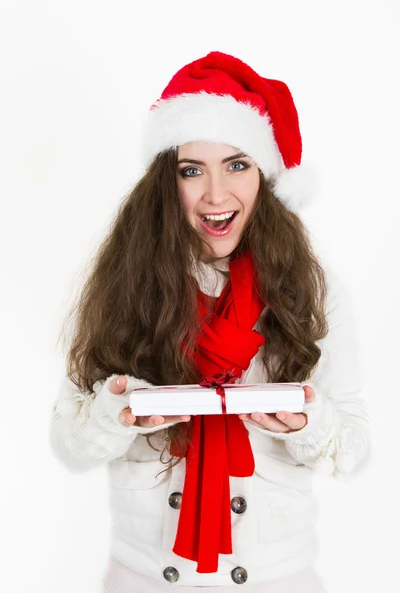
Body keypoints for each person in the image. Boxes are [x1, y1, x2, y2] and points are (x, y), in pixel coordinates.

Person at [49, 51, 371, 593]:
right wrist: (114, 415)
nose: (216, 195)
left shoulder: (309, 288)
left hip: (277, 581)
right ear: (165, 182)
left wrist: (308, 424)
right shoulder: (126, 284)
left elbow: (355, 447)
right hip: (145, 579)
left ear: (266, 178)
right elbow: (67, 442)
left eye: (238, 165)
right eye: (191, 170)